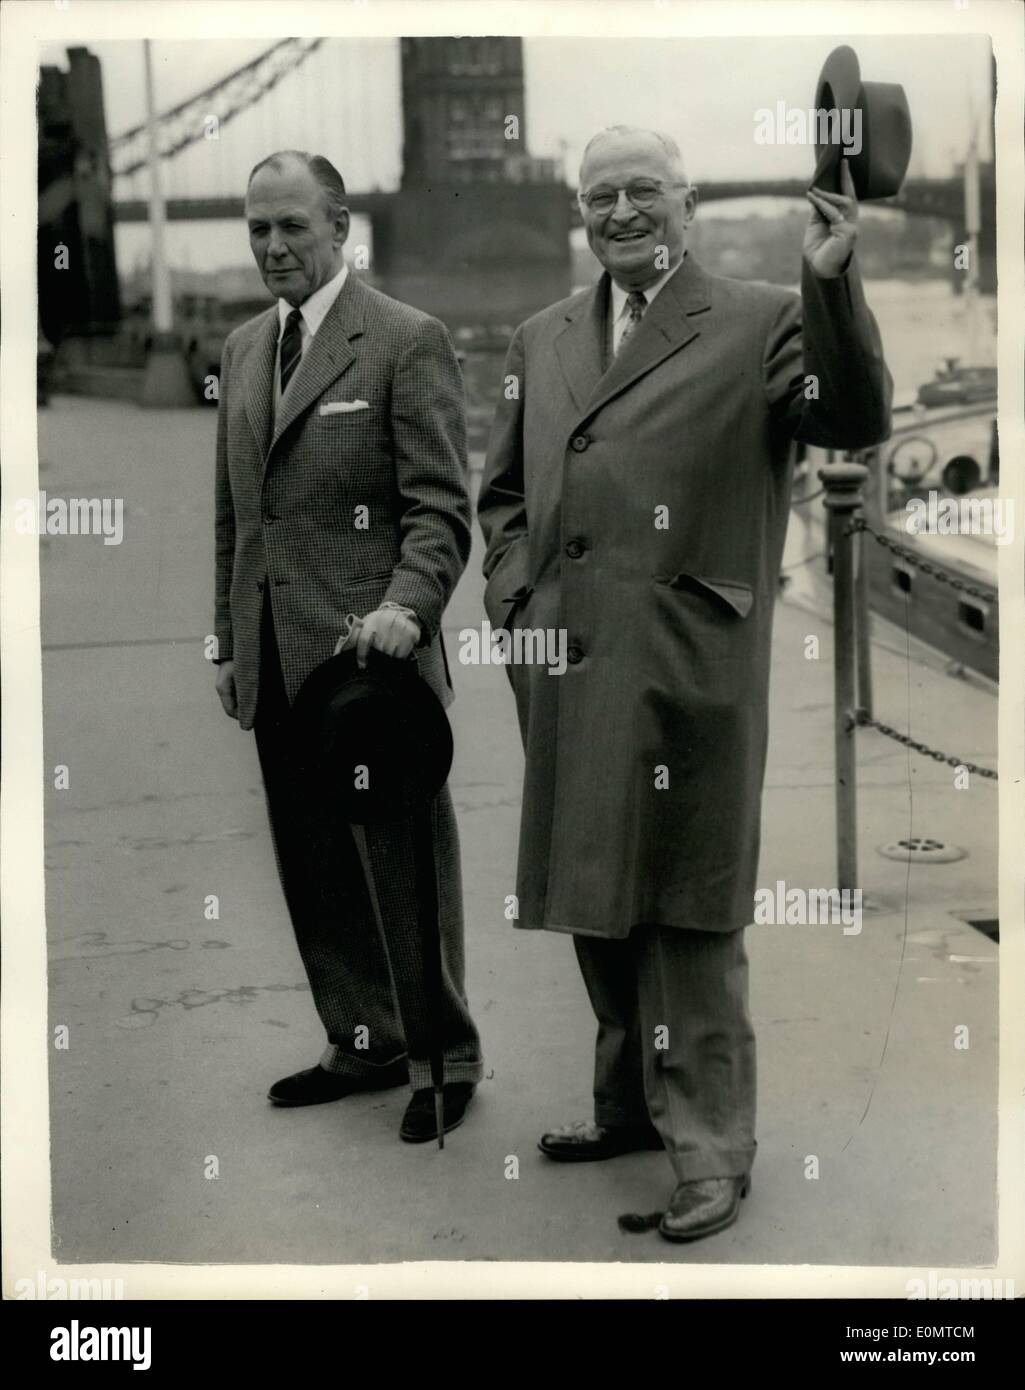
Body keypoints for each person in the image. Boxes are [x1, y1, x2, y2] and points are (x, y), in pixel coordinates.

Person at [477, 126, 891, 1240]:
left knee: (691, 908)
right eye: (598, 195)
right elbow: (502, 493)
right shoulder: (541, 334)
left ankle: (711, 1148)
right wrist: (514, 599)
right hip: (561, 657)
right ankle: (625, 1107)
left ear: (685, 203)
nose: (619, 212)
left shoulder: (760, 317)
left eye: (641, 192)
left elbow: (849, 419)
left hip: (685, 660)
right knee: (592, 889)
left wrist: (829, 280)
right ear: (580, 213)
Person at [213, 150, 482, 1142]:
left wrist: (410, 606)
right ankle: (362, 1039)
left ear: (339, 229)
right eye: (257, 230)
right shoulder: (244, 348)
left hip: (371, 667)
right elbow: (236, 517)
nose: (273, 245)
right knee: (314, 861)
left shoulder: (405, 342)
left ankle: (442, 1056)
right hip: (274, 658)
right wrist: (225, 638)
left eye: (291, 225)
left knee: (402, 865)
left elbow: (440, 508)